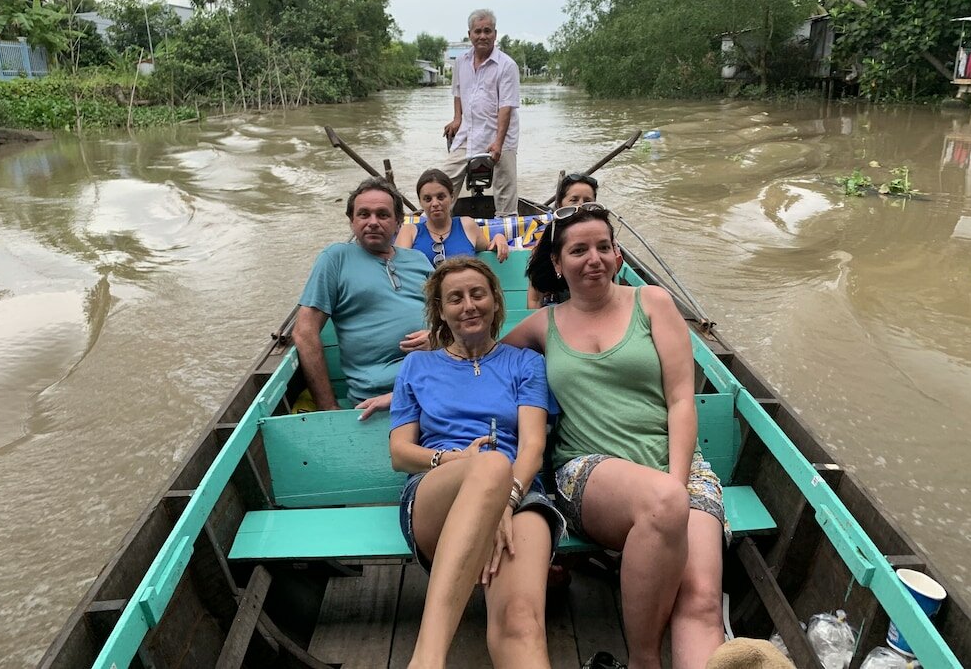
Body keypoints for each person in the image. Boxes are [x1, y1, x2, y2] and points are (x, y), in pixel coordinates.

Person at [504, 204, 730, 669]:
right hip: (588, 472)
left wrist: (677, 482)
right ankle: (644, 661)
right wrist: (424, 363)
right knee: (664, 501)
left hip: (678, 469)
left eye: (603, 247)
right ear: (557, 263)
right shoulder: (542, 326)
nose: (594, 259)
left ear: (618, 255)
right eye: (579, 250)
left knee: (702, 599)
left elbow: (681, 400)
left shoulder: (653, 303)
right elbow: (479, 361)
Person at [389, 256, 563, 669]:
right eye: (455, 298)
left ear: (495, 301)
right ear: (440, 311)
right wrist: (450, 459)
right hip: (438, 491)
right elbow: (400, 453)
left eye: (477, 294)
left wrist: (505, 501)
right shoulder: (417, 365)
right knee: (490, 465)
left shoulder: (525, 363)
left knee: (520, 620)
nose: (468, 305)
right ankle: (427, 660)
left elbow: (532, 447)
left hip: (519, 494)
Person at [292, 178, 432, 419]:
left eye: (383, 215)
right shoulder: (336, 259)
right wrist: (328, 406)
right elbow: (304, 332)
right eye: (364, 214)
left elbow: (451, 317)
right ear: (352, 221)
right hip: (377, 395)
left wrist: (438, 337)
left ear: (398, 222)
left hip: (436, 380)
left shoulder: (418, 259)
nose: (373, 222)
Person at [443, 9, 521, 217]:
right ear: (470, 35)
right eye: (478, 31)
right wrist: (457, 118)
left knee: (505, 191)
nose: (482, 36)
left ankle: (506, 224)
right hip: (468, 133)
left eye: (487, 31)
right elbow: (458, 91)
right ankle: (438, 225)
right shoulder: (461, 61)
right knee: (443, 182)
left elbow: (506, 107)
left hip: (500, 136)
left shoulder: (507, 65)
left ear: (495, 34)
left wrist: (498, 143)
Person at [396, 169, 510, 267]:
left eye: (441, 197)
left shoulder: (467, 225)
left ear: (451, 197)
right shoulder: (409, 232)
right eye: (428, 199)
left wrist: (499, 237)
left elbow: (488, 248)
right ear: (421, 202)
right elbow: (398, 268)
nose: (435, 203)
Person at [525, 173, 599, 308]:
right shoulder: (547, 241)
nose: (580, 207)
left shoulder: (605, 239)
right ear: (559, 204)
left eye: (587, 201)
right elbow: (534, 300)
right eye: (574, 200)